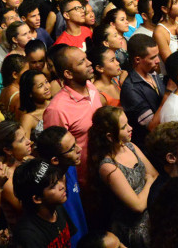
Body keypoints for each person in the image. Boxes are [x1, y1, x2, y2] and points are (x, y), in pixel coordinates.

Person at [87, 106, 158, 248]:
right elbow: (137, 206)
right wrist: (148, 182)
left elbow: (155, 174)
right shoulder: (108, 167)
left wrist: (149, 182)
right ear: (110, 136)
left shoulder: (130, 146)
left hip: (152, 212)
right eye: (124, 127)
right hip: (134, 228)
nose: (131, 128)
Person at [43, 46, 103, 167]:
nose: (89, 63)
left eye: (86, 58)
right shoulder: (57, 109)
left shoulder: (91, 87)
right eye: (82, 62)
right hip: (81, 178)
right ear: (68, 74)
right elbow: (55, 153)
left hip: (103, 168)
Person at [35, 127, 88, 247]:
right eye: (72, 149)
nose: (79, 149)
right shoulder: (47, 190)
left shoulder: (71, 167)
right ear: (55, 160)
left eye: (75, 143)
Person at [119, 35, 164, 146]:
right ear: (138, 59)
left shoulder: (153, 73)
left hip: (163, 139)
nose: (158, 60)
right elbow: (152, 126)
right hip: (149, 147)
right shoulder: (130, 89)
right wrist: (168, 93)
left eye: (157, 55)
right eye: (153, 58)